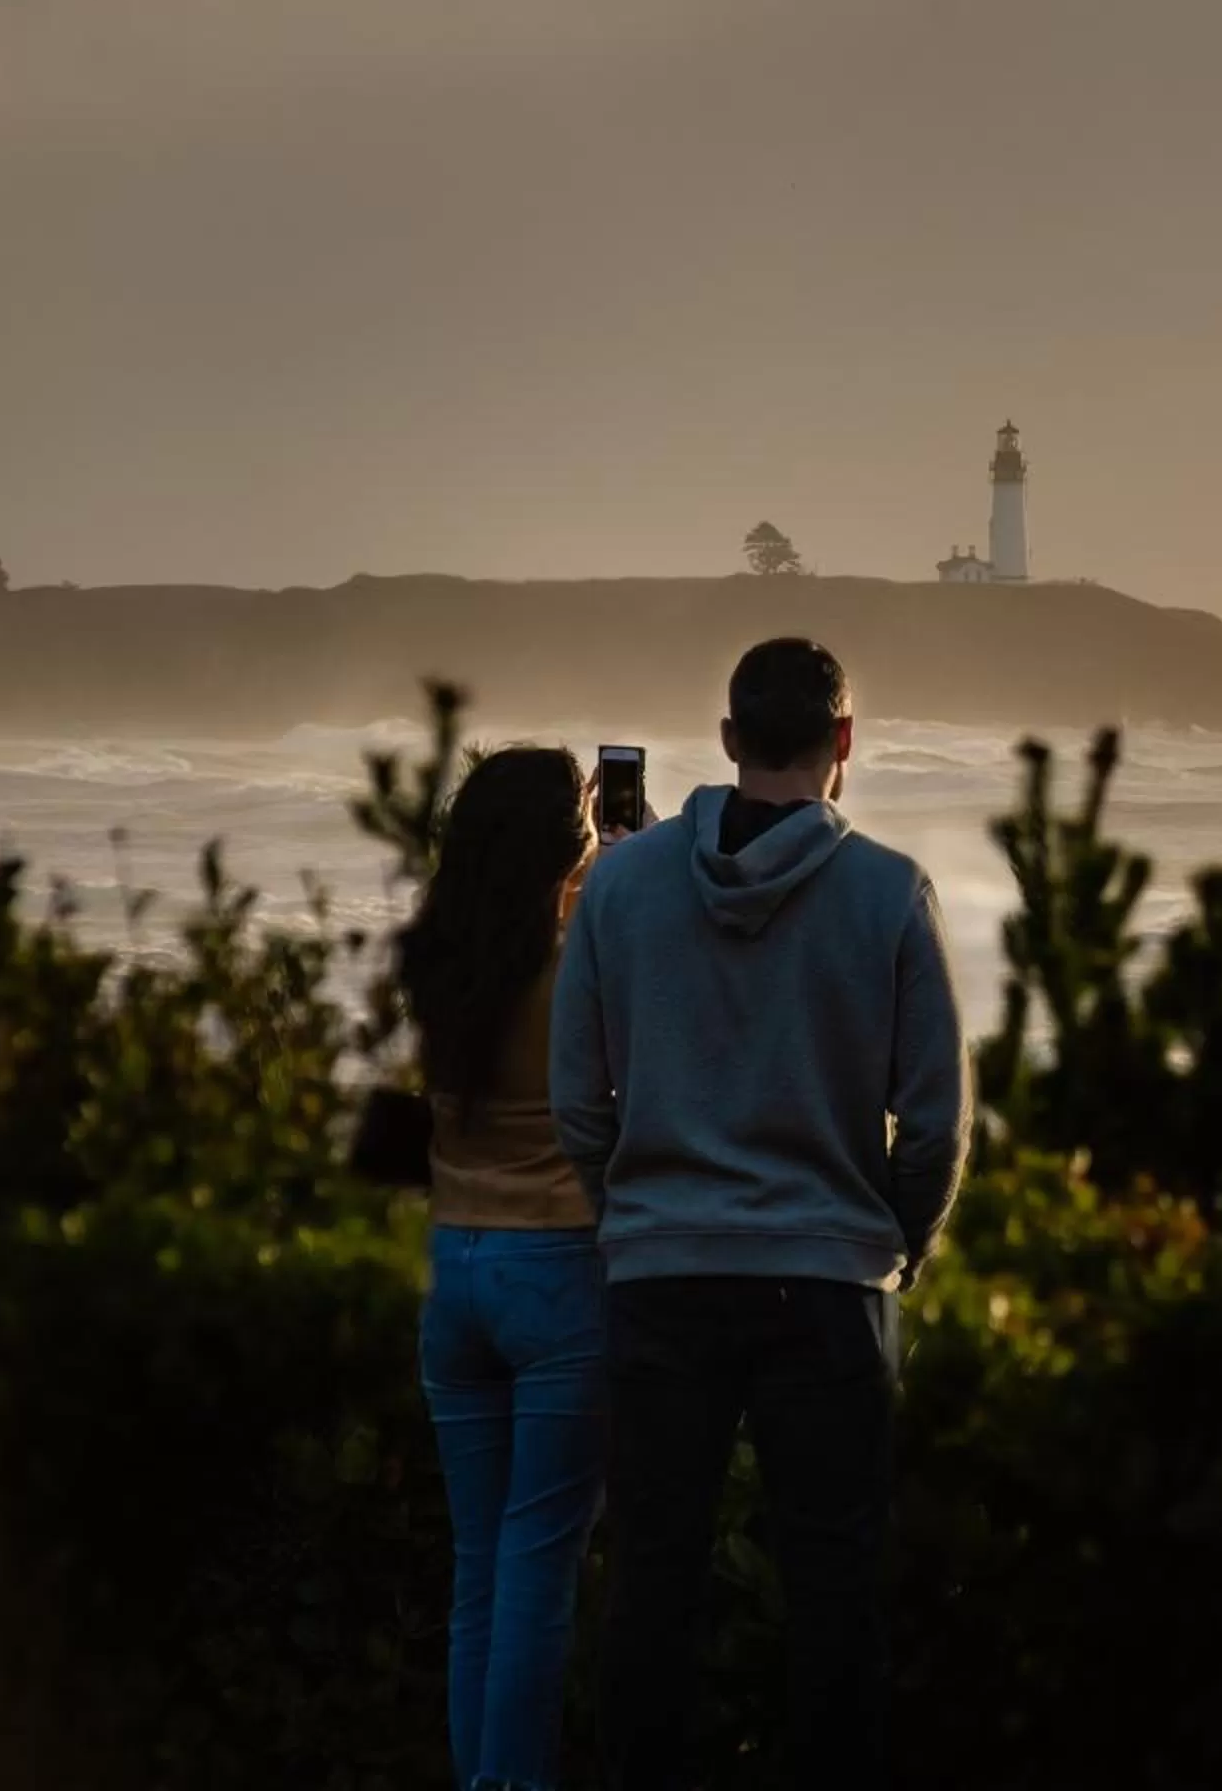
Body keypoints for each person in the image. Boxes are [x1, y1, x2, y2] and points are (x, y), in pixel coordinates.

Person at [552, 637, 970, 1788]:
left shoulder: (623, 887)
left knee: (650, 1584)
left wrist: (627, 1212)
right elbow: (933, 1121)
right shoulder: (890, 890)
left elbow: (575, 1096)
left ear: (730, 740)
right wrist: (902, 1243)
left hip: (659, 1275)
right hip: (829, 1282)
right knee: (835, 1600)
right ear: (844, 743)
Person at [397, 745, 614, 1791]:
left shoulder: (437, 958)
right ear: (561, 836)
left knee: (478, 1573)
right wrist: (619, 866)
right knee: (539, 1570)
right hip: (558, 1268)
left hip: (456, 1269)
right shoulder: (584, 955)